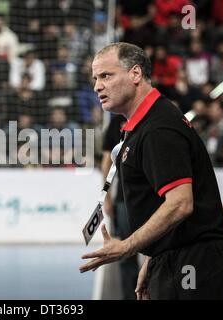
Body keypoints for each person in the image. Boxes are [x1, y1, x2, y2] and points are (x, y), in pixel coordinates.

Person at [80, 42, 223, 300]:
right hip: (175, 255)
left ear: (135, 74)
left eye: (106, 75)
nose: (97, 86)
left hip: (191, 261)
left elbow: (180, 204)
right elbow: (164, 205)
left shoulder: (158, 129)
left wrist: (127, 246)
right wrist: (153, 258)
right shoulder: (145, 124)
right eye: (95, 78)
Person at [101, 115, 139, 300]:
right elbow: (107, 161)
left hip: (154, 198)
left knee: (159, 252)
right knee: (126, 253)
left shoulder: (154, 115)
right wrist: (105, 196)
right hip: (123, 199)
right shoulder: (116, 122)